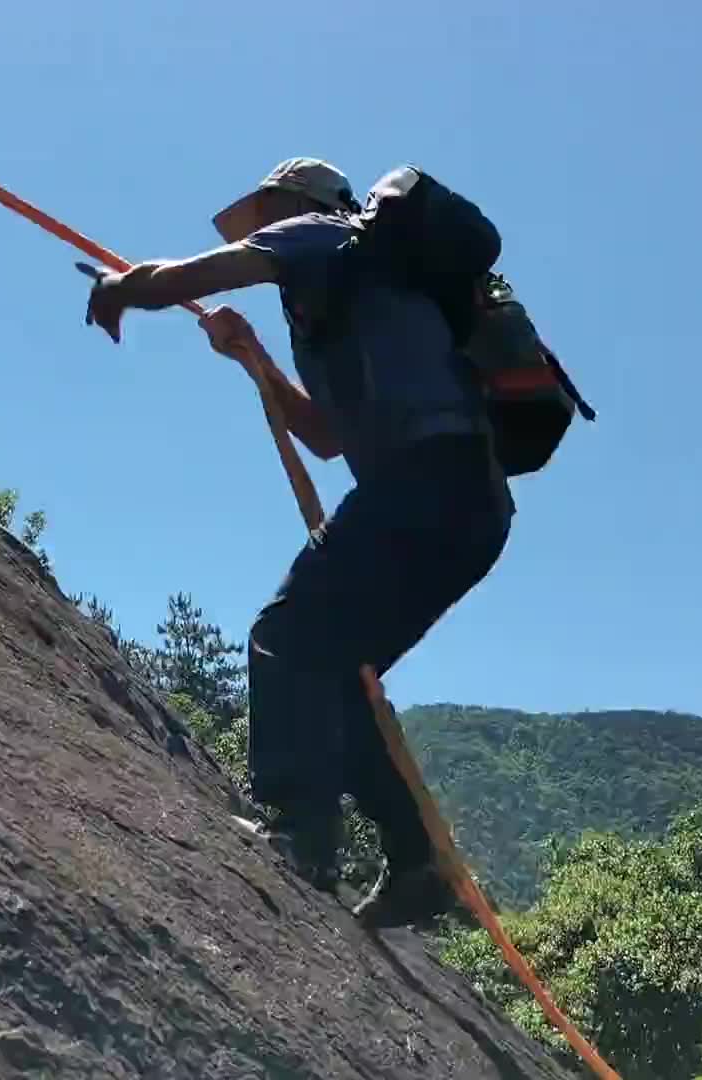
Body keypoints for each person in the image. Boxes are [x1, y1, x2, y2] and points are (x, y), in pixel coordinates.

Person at [83, 158, 514, 927]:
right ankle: (417, 864)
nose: (257, 230)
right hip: (468, 507)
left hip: (426, 481)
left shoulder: (322, 234)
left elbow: (185, 276)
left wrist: (125, 286)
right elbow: (320, 437)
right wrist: (253, 356)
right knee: (340, 676)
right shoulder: (340, 301)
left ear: (298, 203)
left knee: (286, 634)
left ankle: (302, 833)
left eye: (264, 213)